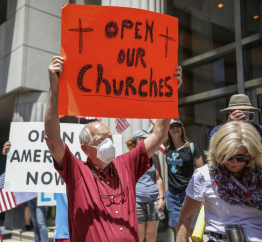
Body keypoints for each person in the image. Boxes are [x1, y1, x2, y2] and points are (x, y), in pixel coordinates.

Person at [43, 56, 182, 241]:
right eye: (102, 139)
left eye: (109, 137)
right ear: (86, 148)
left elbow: (159, 135)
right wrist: (54, 88)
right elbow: (53, 139)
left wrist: (170, 94)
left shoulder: (126, 164)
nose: (109, 142)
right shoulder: (77, 172)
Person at [177, 121, 262, 242]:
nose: (234, 162)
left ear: (252, 155)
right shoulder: (204, 176)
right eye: (228, 157)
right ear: (218, 152)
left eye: (241, 158)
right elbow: (185, 218)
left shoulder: (260, 175)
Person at [3, 141, 49, 242]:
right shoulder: (28, 161)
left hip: (42, 195)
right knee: (35, 223)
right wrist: (10, 152)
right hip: (30, 195)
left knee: (41, 223)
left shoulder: (44, 160)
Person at [164, 119, 204, 234]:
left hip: (189, 195)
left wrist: (202, 195)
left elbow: (201, 173)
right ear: (168, 130)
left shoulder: (191, 147)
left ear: (182, 129)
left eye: (178, 126)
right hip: (172, 195)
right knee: (179, 231)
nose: (175, 128)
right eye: (172, 127)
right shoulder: (167, 149)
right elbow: (155, 132)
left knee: (193, 232)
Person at [126, 128, 165, 242]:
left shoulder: (154, 157)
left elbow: (158, 178)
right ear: (138, 140)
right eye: (146, 139)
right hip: (137, 201)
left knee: (151, 236)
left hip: (153, 201)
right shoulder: (130, 157)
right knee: (139, 236)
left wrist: (161, 197)